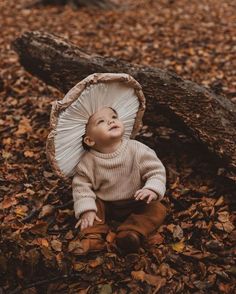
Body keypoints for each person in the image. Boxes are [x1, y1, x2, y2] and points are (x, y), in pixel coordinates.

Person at [46, 73, 167, 255]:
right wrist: (86, 209)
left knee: (157, 208)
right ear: (90, 140)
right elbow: (82, 187)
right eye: (101, 121)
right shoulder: (88, 162)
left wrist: (151, 188)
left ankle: (131, 233)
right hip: (106, 204)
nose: (110, 120)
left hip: (136, 199)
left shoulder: (137, 149)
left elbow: (156, 171)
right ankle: (93, 238)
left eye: (113, 116)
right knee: (92, 205)